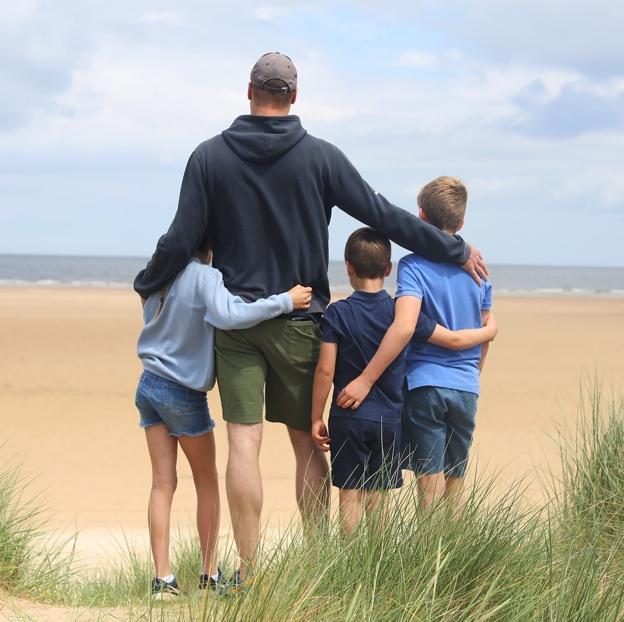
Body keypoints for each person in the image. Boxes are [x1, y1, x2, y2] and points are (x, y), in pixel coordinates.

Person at [133, 52, 488, 582]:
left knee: (244, 444)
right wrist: (451, 248)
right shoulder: (320, 157)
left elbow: (181, 239)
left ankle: (249, 576)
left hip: (239, 326)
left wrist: (147, 281)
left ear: (248, 90)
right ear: (294, 97)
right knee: (306, 441)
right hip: (304, 321)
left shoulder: (208, 157)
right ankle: (321, 566)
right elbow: (382, 214)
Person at [134, 231, 312, 596]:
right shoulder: (204, 276)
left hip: (148, 384)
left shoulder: (157, 275)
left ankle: (162, 579)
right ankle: (209, 574)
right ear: (209, 247)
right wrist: (284, 301)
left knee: (162, 484)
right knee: (207, 482)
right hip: (182, 392)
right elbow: (230, 314)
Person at [311, 228, 496, 533]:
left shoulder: (337, 313)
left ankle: (348, 562)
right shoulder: (401, 314)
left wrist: (316, 416)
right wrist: (488, 332)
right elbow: (449, 338)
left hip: (348, 416)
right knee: (379, 495)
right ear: (388, 269)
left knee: (350, 493)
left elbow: (325, 371)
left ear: (348, 267)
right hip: (390, 418)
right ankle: (378, 561)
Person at [336, 177, 493, 511]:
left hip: (425, 385)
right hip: (467, 386)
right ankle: (454, 555)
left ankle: (429, 557)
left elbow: (405, 326)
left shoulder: (413, 266)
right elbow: (485, 332)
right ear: (461, 222)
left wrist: (366, 379)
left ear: (419, 218)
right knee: (456, 479)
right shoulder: (480, 271)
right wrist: (472, 375)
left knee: (429, 482)